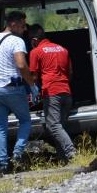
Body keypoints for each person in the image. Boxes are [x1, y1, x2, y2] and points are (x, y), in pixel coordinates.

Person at [0, 10, 38, 173]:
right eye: (22, 26)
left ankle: (2, 164)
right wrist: (32, 85)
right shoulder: (17, 41)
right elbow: (21, 65)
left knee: (0, 127)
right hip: (12, 88)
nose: (24, 30)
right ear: (13, 24)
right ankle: (17, 153)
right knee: (25, 121)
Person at [28, 24, 77, 164]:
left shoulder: (36, 51)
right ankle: (63, 159)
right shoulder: (63, 49)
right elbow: (70, 73)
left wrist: (33, 90)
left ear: (35, 39)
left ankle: (71, 151)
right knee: (61, 125)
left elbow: (33, 76)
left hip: (51, 92)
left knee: (53, 126)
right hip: (66, 92)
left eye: (31, 41)